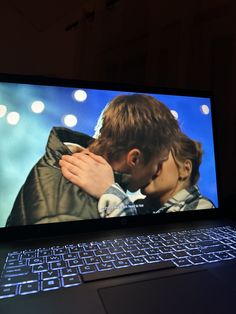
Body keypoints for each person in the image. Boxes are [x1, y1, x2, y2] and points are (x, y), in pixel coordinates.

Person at [6, 94, 180, 226]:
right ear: (134, 159)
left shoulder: (68, 157)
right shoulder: (71, 213)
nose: (158, 171)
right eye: (159, 162)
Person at [60, 132, 215, 216]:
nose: (147, 163)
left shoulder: (201, 209)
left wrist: (109, 191)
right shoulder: (141, 208)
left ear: (185, 169)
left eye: (162, 157)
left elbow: (155, 254)